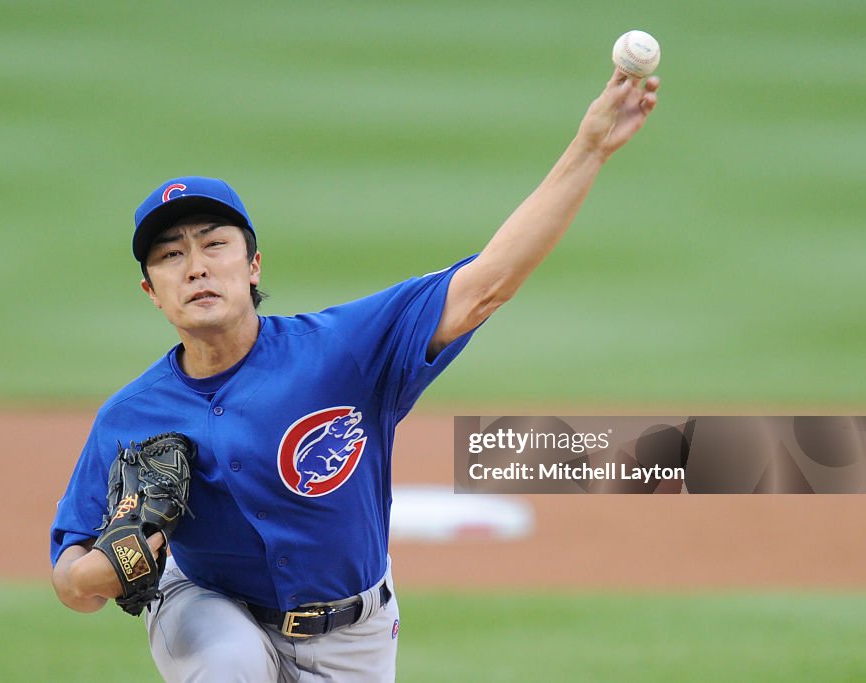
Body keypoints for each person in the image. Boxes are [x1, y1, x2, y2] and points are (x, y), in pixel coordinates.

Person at [51, 68, 660, 681]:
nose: (195, 267)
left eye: (214, 245)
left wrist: (589, 149)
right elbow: (70, 575)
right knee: (229, 665)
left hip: (354, 636)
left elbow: (485, 285)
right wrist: (91, 574)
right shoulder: (130, 417)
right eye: (170, 256)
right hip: (207, 606)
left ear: (254, 264)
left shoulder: (342, 352)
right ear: (151, 290)